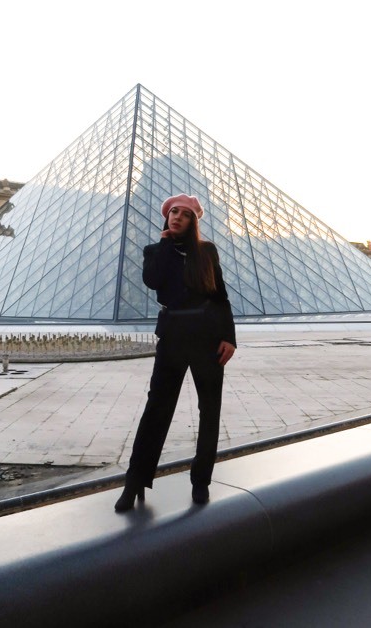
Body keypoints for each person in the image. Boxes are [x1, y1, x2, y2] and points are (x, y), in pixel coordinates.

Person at [115, 193, 236, 512]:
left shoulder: (207, 251)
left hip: (208, 337)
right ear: (166, 216)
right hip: (172, 337)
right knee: (156, 409)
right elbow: (152, 281)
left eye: (184, 213)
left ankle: (201, 481)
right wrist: (167, 244)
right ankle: (134, 480)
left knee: (210, 411)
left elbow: (221, 296)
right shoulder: (155, 250)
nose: (177, 216)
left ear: (194, 219)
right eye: (173, 212)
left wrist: (229, 337)